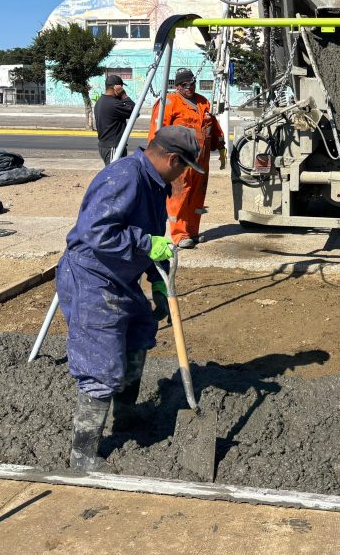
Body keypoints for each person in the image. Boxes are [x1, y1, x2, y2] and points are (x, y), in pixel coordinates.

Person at [56, 125, 205, 471]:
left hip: (121, 278)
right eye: (184, 167)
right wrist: (146, 244)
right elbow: (96, 232)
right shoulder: (125, 177)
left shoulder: (155, 183)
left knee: (139, 334)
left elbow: (153, 237)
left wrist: (158, 281)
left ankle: (125, 417)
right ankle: (83, 457)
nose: (183, 175)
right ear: (172, 159)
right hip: (92, 278)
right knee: (101, 363)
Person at [147, 67, 225, 249]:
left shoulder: (203, 102)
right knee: (180, 195)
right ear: (177, 86)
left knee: (197, 196)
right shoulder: (168, 103)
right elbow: (156, 131)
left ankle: (192, 231)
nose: (189, 87)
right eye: (184, 84)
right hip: (179, 161)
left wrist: (221, 146)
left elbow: (213, 125)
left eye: (191, 83)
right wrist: (156, 157)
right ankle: (180, 234)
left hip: (201, 160)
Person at [94, 74, 136, 165]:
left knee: (116, 171)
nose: (123, 89)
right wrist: (124, 95)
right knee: (114, 172)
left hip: (106, 145)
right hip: (113, 147)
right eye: (122, 87)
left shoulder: (101, 101)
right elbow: (135, 112)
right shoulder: (114, 104)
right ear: (116, 88)